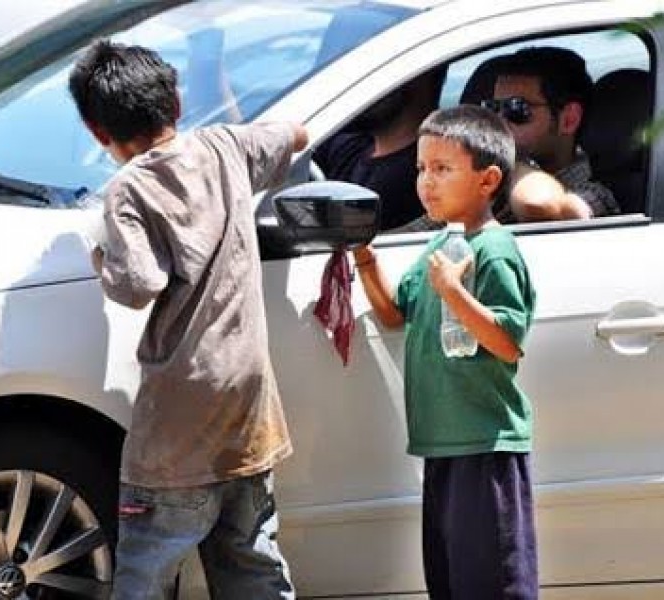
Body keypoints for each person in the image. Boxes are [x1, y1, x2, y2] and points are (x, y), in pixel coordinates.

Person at [68, 40, 308, 599]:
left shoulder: (127, 189)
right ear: (176, 105)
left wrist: (99, 256)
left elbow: (138, 285)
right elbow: (295, 134)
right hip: (248, 413)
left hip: (177, 428)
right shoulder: (226, 147)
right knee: (252, 560)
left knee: (148, 570)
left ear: (97, 132)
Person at [353, 105, 538, 598]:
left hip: (485, 443)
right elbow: (397, 313)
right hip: (443, 444)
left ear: (488, 179)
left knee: (493, 582)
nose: (425, 183)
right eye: (421, 169)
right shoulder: (442, 244)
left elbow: (506, 342)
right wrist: (363, 258)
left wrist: (457, 293)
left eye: (442, 169)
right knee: (451, 581)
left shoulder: (494, 250)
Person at [484, 46, 619, 222]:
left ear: (569, 119)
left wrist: (503, 159)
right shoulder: (493, 180)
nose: (499, 121)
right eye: (492, 108)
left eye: (516, 108)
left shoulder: (594, 195)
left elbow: (538, 204)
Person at [313, 68, 446, 230]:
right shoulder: (350, 145)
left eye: (371, 76)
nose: (357, 87)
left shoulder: (420, 178)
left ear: (418, 78)